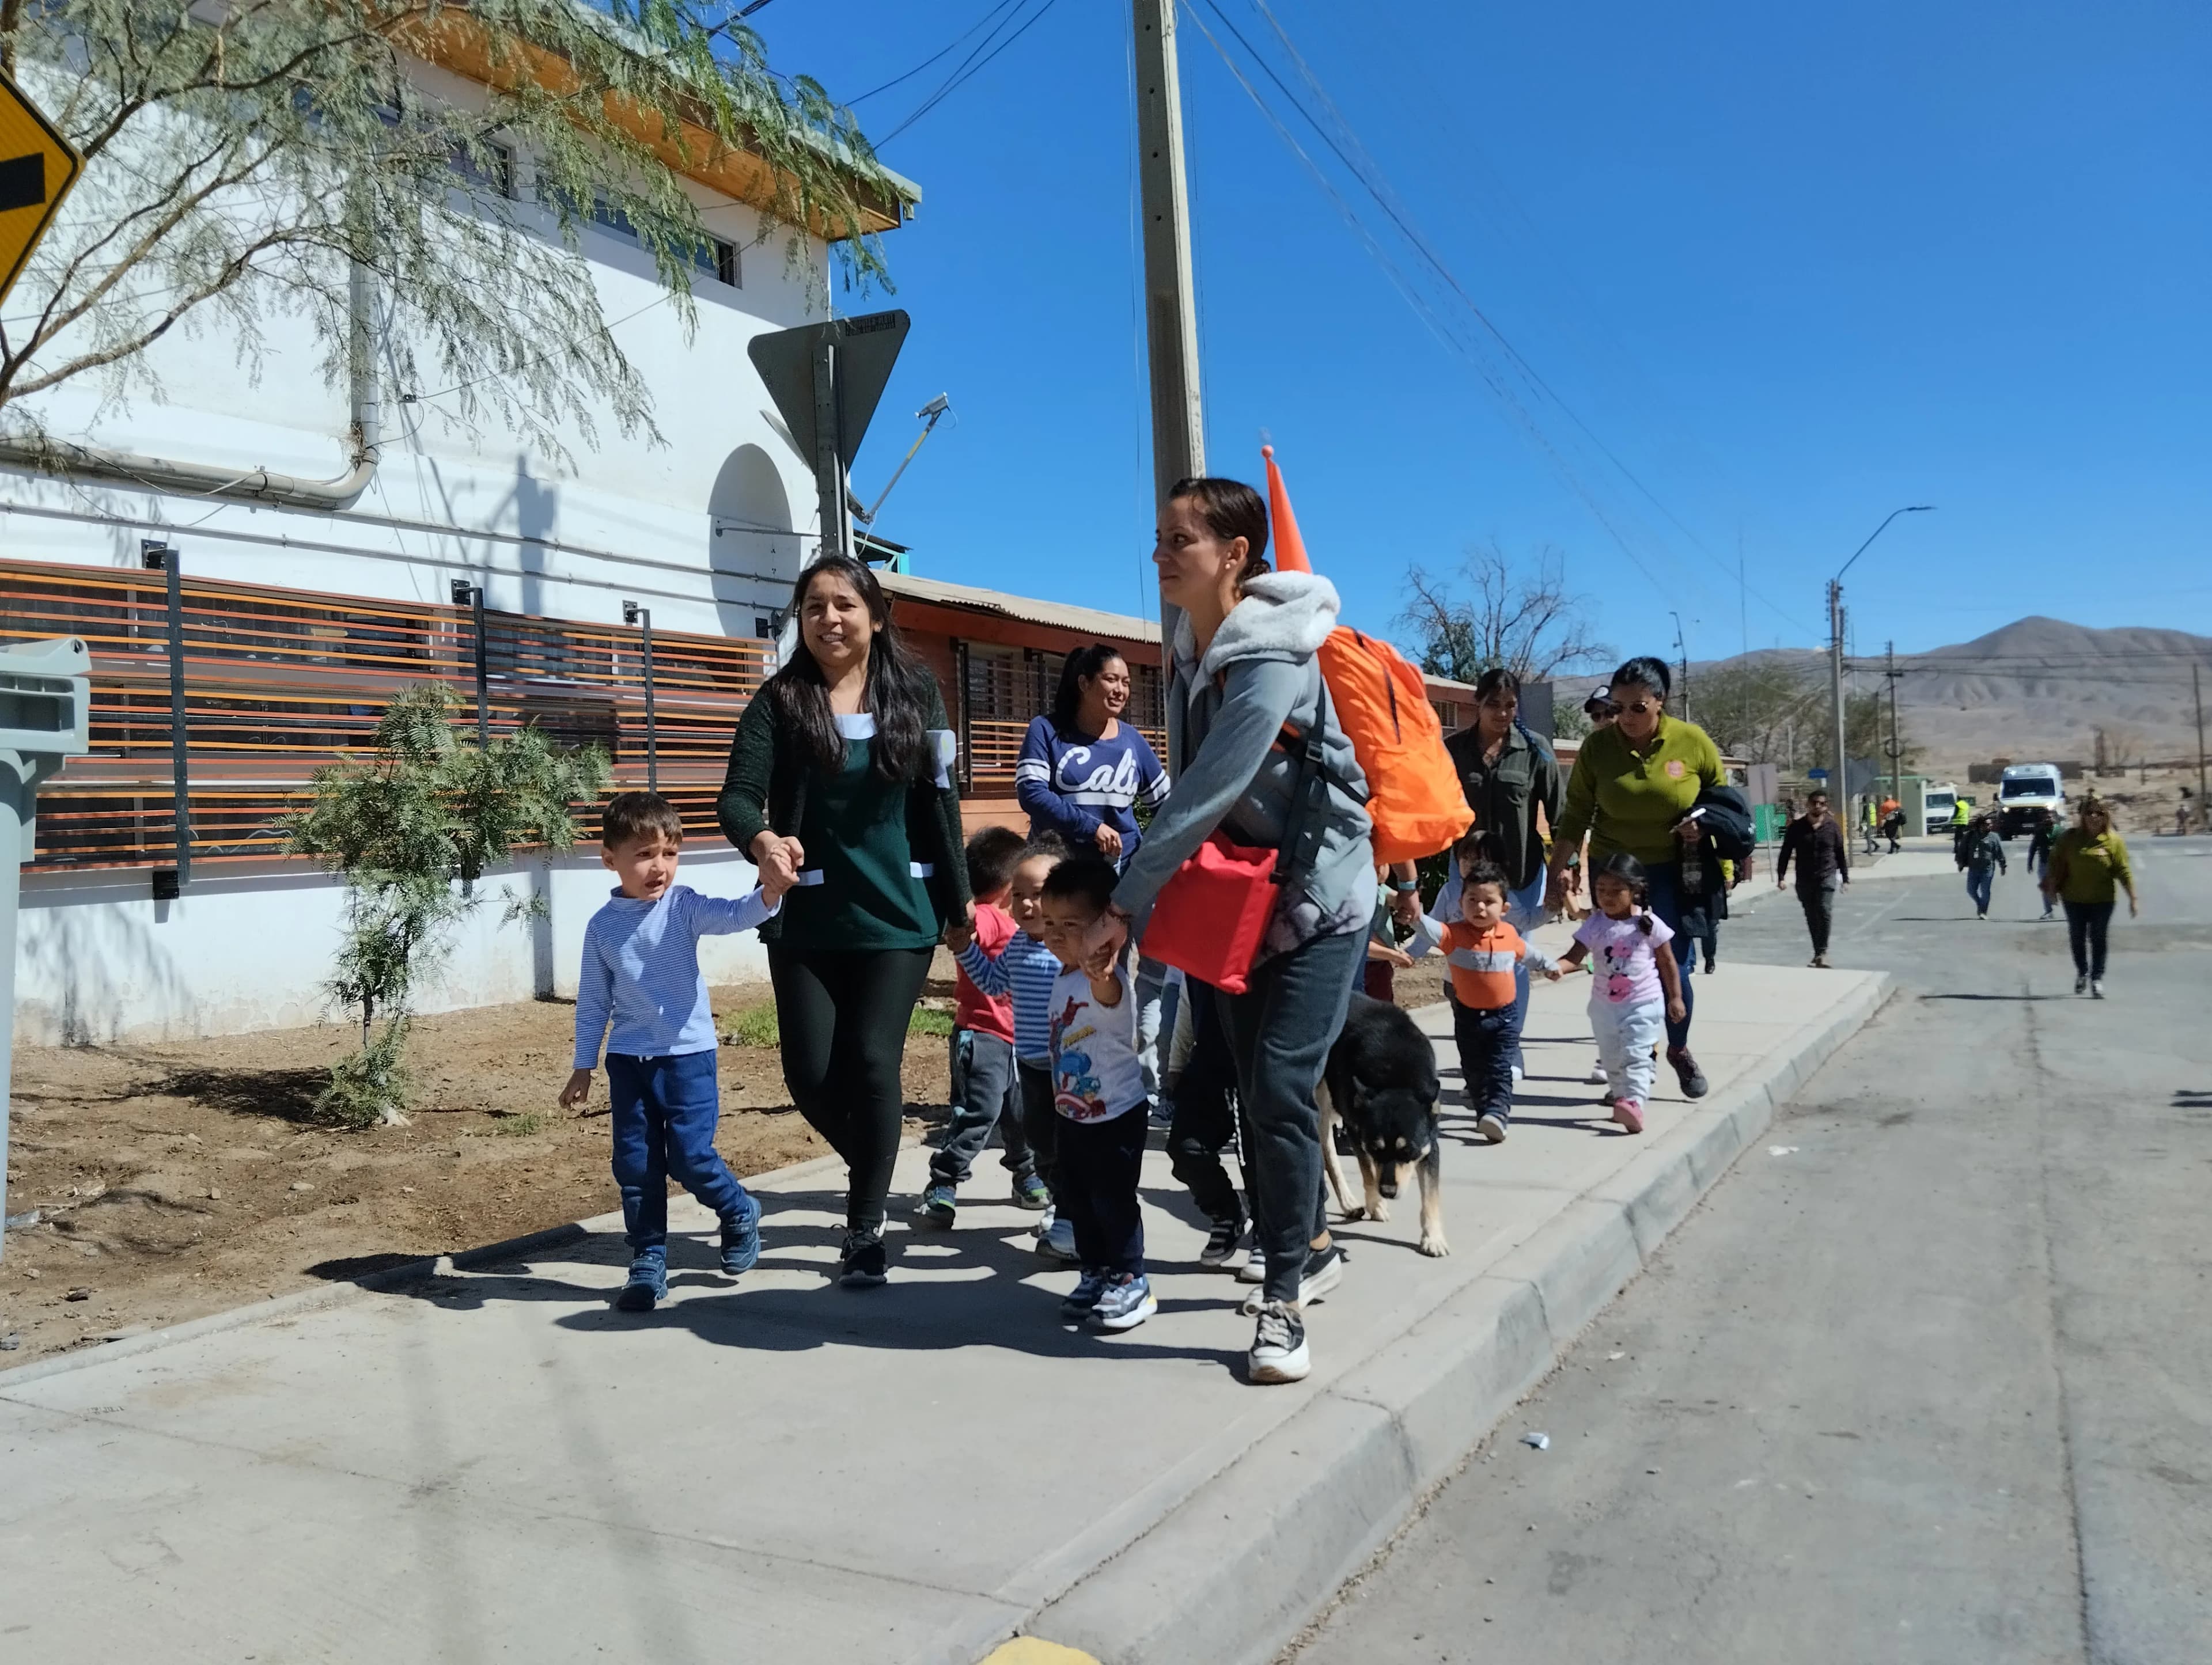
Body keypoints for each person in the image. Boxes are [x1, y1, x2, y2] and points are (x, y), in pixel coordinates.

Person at [1103, 475, 1374, 1387]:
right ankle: (1317, 1238)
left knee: (1277, 1087)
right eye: (1159, 536)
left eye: (1180, 539)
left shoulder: (1269, 658)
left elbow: (1205, 790)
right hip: (1241, 905)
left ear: (1235, 556)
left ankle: (1286, 1304)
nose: (1160, 553)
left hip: (1321, 903)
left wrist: (1123, 901)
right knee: (1252, 1093)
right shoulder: (1189, 648)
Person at [717, 554, 971, 1291]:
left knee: (869, 1059)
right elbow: (737, 797)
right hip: (808, 916)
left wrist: (959, 908)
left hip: (898, 914)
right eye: (815, 606)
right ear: (801, 619)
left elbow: (941, 805)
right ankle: (878, 1171)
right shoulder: (779, 699)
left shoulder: (916, 693)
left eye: (845, 605)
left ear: (876, 615)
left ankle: (864, 1230)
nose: (830, 618)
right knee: (809, 1074)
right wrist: (762, 841)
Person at [561, 791, 790, 1313]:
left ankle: (737, 1209)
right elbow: (595, 1000)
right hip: (629, 1060)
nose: (658, 866)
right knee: (637, 1166)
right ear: (609, 859)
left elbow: (736, 914)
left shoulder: (683, 905)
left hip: (688, 1056)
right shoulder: (601, 927)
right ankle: (647, 1259)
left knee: (691, 1157)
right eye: (643, 854)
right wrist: (583, 1065)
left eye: (669, 853)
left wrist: (770, 892)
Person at [1546, 655, 1722, 1101]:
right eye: (1617, 706)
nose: (1625, 717)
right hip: (1615, 870)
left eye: (1637, 707)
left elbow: (1723, 804)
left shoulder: (1692, 741)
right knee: (1618, 964)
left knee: (1673, 965)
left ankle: (1677, 1049)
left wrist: (1713, 839)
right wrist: (1558, 869)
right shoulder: (1598, 748)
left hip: (1673, 869)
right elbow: (1576, 814)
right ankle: (1631, 1066)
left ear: (1660, 702)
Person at [1016, 644, 1173, 1103]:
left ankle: (1145, 1079)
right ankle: (1070, 1074)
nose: (1121, 689)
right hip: (1068, 889)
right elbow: (1031, 794)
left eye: (1126, 681)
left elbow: (1164, 806)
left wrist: (1157, 859)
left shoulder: (1133, 741)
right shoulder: (1047, 732)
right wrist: (1090, 826)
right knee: (1083, 974)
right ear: (1084, 682)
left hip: (1127, 879)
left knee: (1149, 975)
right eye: (1111, 679)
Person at [1034, 854, 1158, 1329]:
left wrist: (1102, 970)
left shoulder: (1104, 980)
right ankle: (1095, 1271)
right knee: (1079, 1199)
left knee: (1113, 1199)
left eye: (1072, 923)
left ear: (1103, 926)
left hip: (1116, 1116)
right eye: (1050, 923)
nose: (1057, 934)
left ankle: (1132, 1279)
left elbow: (1108, 995)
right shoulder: (1062, 978)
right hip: (1075, 1115)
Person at [918, 827, 1052, 1226]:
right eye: (1020, 894)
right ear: (1007, 887)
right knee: (981, 1111)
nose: (1026, 904)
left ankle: (1025, 1175)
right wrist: (962, 927)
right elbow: (975, 928)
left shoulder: (1028, 935)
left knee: (1019, 1113)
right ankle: (944, 1180)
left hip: (1018, 1041)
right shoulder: (992, 917)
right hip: (982, 1037)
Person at [952, 832, 1077, 1258]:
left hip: (1072, 1067)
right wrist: (965, 949)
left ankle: (1072, 1213)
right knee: (1039, 1137)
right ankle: (1062, 1206)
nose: (1025, 904)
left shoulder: (1071, 948)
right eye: (1019, 895)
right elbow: (992, 983)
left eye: (1037, 895)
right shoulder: (1018, 944)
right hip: (1031, 1064)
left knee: (1070, 1141)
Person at [1439, 667, 1562, 1081]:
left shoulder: (1535, 750)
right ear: (1478, 702)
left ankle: (1509, 1048)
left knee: (1513, 959)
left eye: (1511, 705)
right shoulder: (1453, 750)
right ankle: (1476, 1046)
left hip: (1519, 877)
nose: (1503, 712)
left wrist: (1569, 870)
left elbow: (1560, 813)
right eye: (1494, 703)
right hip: (1466, 876)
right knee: (1467, 959)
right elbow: (1436, 806)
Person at [1413, 854, 1559, 1144]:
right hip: (1467, 1016)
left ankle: (1498, 1111)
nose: (1479, 907)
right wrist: (1414, 913)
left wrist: (1549, 966)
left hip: (1504, 1016)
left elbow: (1528, 954)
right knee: (1474, 1070)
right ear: (1461, 903)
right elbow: (1427, 927)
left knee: (1500, 1067)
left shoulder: (1509, 934)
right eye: (1472, 900)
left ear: (1504, 908)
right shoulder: (1453, 935)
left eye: (1488, 901)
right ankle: (1484, 1113)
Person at [1555, 853, 1686, 1136]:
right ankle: (1621, 1097)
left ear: (1635, 891)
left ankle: (1635, 1102)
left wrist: (1675, 997)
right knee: (1611, 1059)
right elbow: (1574, 956)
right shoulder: (1595, 924)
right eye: (1602, 890)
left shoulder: (1648, 924)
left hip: (1643, 1004)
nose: (1608, 897)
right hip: (1604, 1008)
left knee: (1636, 1055)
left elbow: (1667, 962)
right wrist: (1557, 968)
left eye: (1617, 891)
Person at [2046, 797, 2137, 997]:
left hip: (2103, 900)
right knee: (2077, 938)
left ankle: (2097, 979)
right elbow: (2055, 862)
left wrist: (2133, 898)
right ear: (2083, 817)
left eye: (2099, 813)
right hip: (2074, 899)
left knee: (2098, 938)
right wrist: (2051, 888)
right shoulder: (2070, 838)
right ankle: (2082, 972)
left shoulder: (2114, 841)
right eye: (2089, 813)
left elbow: (2123, 870)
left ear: (2106, 817)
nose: (2094, 816)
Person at [1775, 787, 1850, 966]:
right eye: (1814, 803)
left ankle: (1823, 952)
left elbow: (1840, 853)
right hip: (1805, 878)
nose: (1818, 806)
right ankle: (1818, 952)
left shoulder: (1832, 827)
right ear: (1808, 805)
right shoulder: (1797, 828)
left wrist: (1845, 878)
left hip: (1827, 875)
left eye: (1822, 804)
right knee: (1811, 915)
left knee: (1824, 910)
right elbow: (1785, 852)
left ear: (1826, 806)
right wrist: (1781, 877)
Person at [1963, 814, 2006, 919]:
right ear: (1980, 826)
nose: (1989, 826)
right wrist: (1961, 862)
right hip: (1973, 868)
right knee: (1971, 890)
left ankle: (1983, 911)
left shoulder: (1994, 837)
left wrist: (2003, 865)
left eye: (1990, 824)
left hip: (1987, 869)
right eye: (1987, 825)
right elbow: (1964, 850)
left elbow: (1999, 852)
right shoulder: (1971, 836)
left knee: (1985, 891)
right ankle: (1980, 904)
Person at [2024, 809, 2061, 917]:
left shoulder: (2061, 831)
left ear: (2054, 818)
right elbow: (2033, 848)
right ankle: (2049, 911)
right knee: (2045, 888)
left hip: (2059, 865)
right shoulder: (2040, 832)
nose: (2048, 819)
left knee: (2063, 888)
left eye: (2050, 817)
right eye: (2046, 817)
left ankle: (2072, 912)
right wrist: (2030, 863)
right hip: (2044, 864)